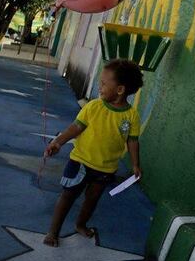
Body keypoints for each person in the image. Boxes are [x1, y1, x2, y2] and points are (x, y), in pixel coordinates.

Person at [42, 59, 144, 247]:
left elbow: (133, 141)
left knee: (92, 199)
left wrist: (136, 164)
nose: (100, 86)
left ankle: (81, 224)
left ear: (120, 90)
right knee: (68, 196)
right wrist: (58, 142)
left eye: (104, 83)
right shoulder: (93, 106)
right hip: (80, 161)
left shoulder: (131, 116)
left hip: (106, 168)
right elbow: (76, 128)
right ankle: (52, 232)